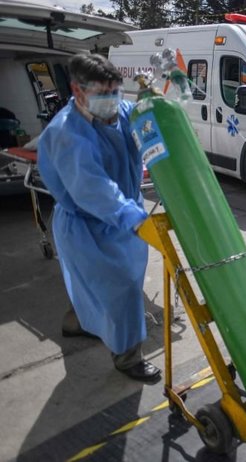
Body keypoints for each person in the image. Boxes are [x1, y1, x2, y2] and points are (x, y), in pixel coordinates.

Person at [37, 54, 159, 383]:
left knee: (96, 286)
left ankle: (77, 323)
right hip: (90, 224)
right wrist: (132, 216)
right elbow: (92, 188)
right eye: (103, 94)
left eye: (115, 92)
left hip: (122, 217)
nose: (112, 101)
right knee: (120, 290)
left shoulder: (119, 111)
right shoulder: (67, 133)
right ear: (78, 91)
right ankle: (127, 357)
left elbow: (150, 143)